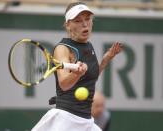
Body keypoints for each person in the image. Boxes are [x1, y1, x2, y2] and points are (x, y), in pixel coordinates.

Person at [31, 2, 123, 131]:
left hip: (86, 121)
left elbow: (90, 79)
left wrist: (106, 59)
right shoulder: (63, 48)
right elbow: (64, 83)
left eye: (87, 19)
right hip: (66, 118)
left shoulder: (88, 46)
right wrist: (76, 73)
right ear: (68, 25)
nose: (85, 24)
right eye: (78, 21)